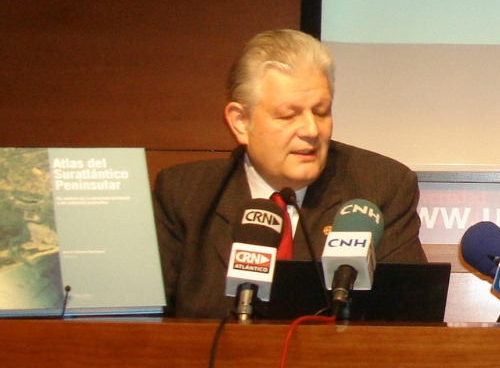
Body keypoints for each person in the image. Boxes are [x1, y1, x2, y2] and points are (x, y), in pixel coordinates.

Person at [153, 29, 427, 317]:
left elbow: (406, 322)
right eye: (288, 115)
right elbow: (144, 330)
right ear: (240, 122)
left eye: (321, 112)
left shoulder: (380, 187)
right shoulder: (184, 195)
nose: (311, 130)